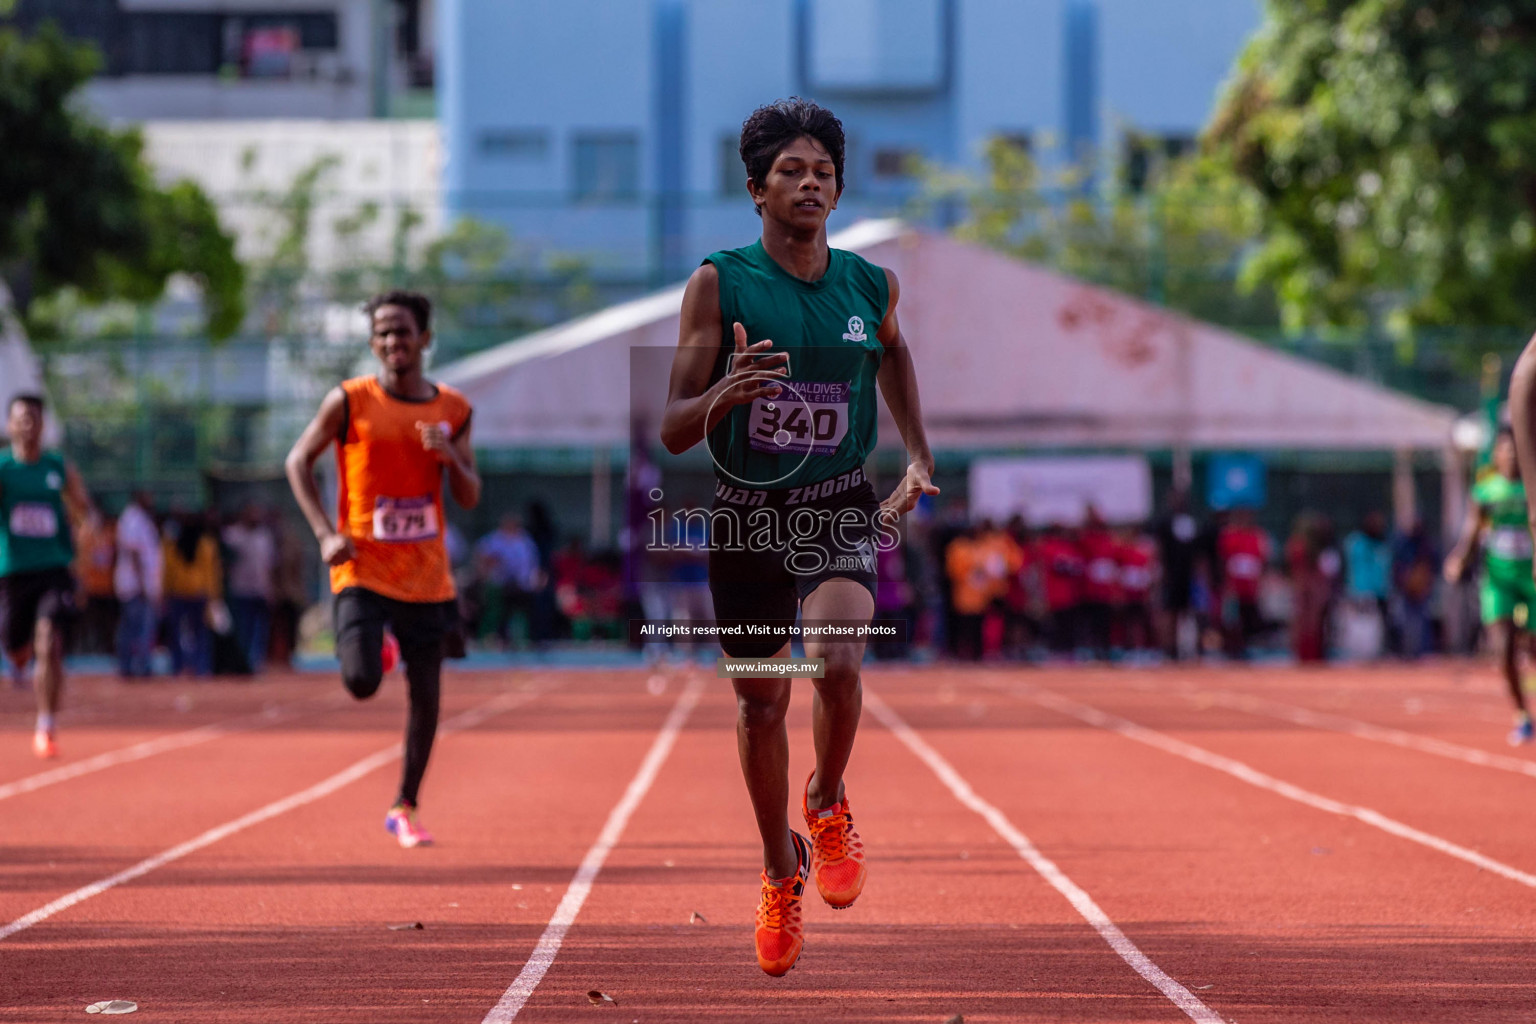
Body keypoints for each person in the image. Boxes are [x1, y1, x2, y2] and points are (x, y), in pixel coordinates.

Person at [659, 98, 937, 977]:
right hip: (747, 515)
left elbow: (891, 352)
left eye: (823, 171)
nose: (810, 183)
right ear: (755, 189)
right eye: (791, 171)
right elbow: (670, 428)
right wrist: (722, 398)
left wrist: (918, 455)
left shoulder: (870, 284)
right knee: (760, 700)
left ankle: (826, 796)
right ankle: (782, 870)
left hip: (838, 506)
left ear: (839, 187)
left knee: (838, 663)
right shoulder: (719, 284)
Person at [285, 289, 481, 846]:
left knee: (428, 697)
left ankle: (405, 805)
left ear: (425, 339)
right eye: (384, 333)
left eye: (403, 331)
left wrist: (449, 456)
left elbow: (469, 493)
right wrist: (325, 533)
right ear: (374, 343)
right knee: (361, 680)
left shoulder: (453, 410)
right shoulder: (349, 401)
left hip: (426, 576)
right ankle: (380, 647)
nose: (394, 341)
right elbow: (297, 460)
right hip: (362, 568)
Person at [0, 395, 91, 757]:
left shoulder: (58, 467)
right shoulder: (4, 470)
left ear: (43, 425)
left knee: (48, 640)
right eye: (22, 418)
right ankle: (17, 654)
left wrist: (80, 561)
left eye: (35, 418)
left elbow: (86, 515)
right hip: (13, 573)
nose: (29, 425)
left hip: (54, 570)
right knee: (17, 647)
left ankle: (46, 724)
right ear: (10, 425)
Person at [1445, 428, 1535, 744]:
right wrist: (1459, 559)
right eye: (1504, 449)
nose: (1510, 455)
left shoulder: (1532, 489)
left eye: (1515, 448)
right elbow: (1472, 531)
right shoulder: (1486, 492)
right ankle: (1523, 716)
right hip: (1498, 580)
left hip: (1532, 578)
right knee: (1504, 648)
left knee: (1533, 648)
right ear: (1496, 455)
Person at [160, 510, 223, 677]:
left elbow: (168, 571)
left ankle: (180, 666)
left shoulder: (175, 544)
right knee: (199, 634)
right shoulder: (205, 544)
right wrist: (213, 595)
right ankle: (199, 667)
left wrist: (166, 591)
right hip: (195, 593)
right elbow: (211, 573)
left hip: (182, 593)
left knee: (180, 634)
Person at [474, 514, 542, 648]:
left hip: (522, 584)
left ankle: (521, 640)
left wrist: (536, 580)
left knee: (521, 614)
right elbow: (482, 557)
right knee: (495, 612)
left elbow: (533, 563)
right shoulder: (494, 539)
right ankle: (487, 639)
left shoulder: (525, 540)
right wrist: (488, 568)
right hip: (499, 583)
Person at [223, 504, 276, 672]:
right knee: (242, 630)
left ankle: (255, 663)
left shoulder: (264, 537)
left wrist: (270, 588)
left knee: (259, 631)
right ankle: (242, 663)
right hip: (240, 590)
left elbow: (269, 566)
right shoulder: (232, 535)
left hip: (260, 590)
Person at [115, 489, 162, 679]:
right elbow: (134, 552)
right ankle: (138, 666)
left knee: (133, 627)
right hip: (135, 585)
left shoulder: (140, 518)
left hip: (137, 584)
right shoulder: (133, 519)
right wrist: (142, 584)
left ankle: (131, 665)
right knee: (138, 627)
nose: (151, 499)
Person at [1217, 509, 1270, 659]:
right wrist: (1225, 584)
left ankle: (1245, 647)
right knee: (1232, 620)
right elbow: (1223, 561)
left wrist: (1261, 582)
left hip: (1250, 586)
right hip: (1234, 586)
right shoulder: (1229, 536)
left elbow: (1262, 561)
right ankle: (1230, 649)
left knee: (1249, 617)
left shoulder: (1257, 536)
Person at [1343, 511, 1393, 657]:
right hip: (1360, 591)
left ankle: (1376, 654)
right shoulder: (1356, 543)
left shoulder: (1382, 544)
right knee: (1361, 627)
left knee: (1378, 628)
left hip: (1380, 591)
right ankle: (1360, 656)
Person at [74, 507, 118, 655]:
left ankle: (107, 650)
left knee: (108, 624)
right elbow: (80, 564)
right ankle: (86, 651)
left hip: (108, 588)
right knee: (87, 624)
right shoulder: (85, 535)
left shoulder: (110, 532)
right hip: (90, 588)